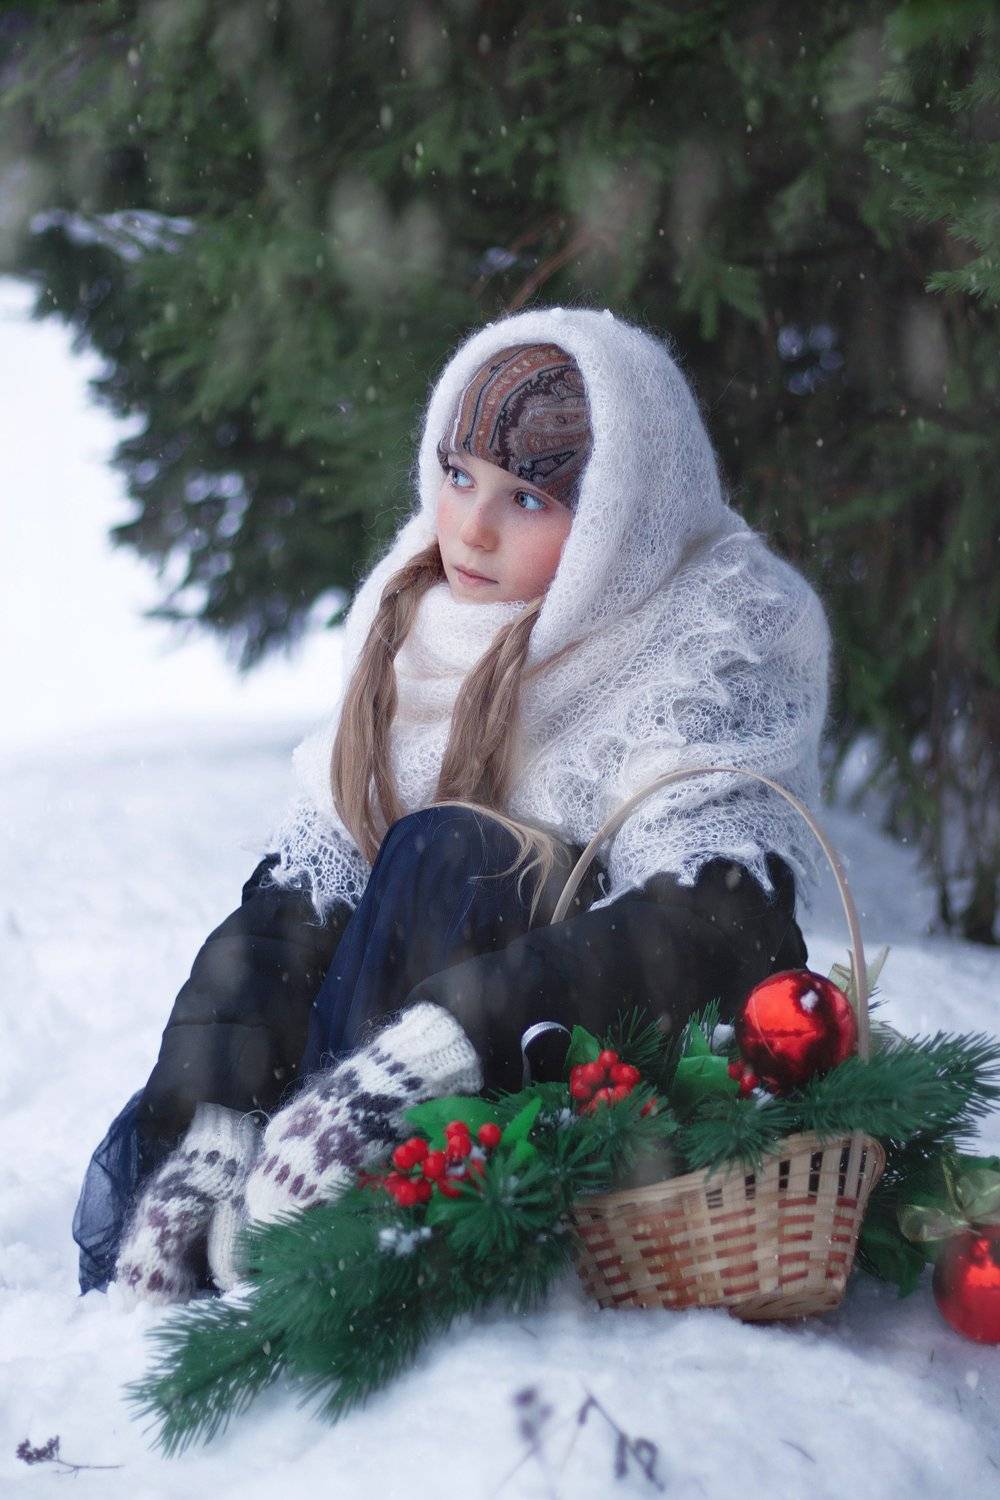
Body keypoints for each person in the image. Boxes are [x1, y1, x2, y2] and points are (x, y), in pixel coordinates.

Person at [73, 309, 831, 1307]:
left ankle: (371, 1204)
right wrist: (215, 1118)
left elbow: (717, 920)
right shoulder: (410, 619)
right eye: (458, 475)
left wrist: (428, 1050)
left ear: (622, 514)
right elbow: (296, 906)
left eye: (528, 497)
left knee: (454, 851)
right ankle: (269, 1186)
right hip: (361, 1071)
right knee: (306, 928)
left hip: (574, 1069)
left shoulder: (714, 632)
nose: (470, 528)